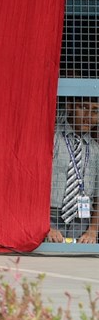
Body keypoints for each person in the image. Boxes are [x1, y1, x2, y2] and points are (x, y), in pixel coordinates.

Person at [47, 96, 99, 243]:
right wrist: (44, 225)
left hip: (82, 221)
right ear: (70, 107)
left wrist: (93, 230)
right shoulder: (53, 139)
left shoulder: (95, 149)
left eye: (95, 111)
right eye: (84, 107)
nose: (88, 116)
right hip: (50, 216)